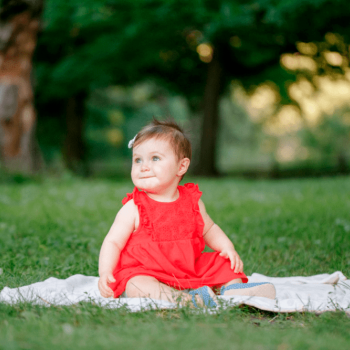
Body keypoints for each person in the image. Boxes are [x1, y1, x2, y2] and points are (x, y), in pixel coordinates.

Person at [98, 118, 275, 307]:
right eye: (137, 160)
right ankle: (185, 299)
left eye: (155, 158)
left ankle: (232, 289)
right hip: (147, 271)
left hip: (189, 268)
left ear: (181, 166)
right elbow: (113, 242)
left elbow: (209, 229)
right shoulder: (134, 207)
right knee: (136, 285)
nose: (144, 166)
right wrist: (105, 271)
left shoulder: (192, 201)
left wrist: (227, 248)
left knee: (220, 263)